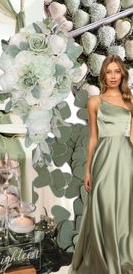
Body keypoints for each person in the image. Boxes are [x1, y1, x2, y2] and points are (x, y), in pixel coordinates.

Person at [69, 54, 133, 274]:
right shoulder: (94, 101)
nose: (113, 76)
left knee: (124, 208)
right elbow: (93, 138)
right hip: (103, 160)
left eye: (117, 71)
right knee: (104, 205)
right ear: (103, 75)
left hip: (126, 159)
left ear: (122, 74)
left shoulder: (130, 101)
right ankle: (104, 258)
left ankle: (124, 256)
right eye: (109, 71)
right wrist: (88, 169)